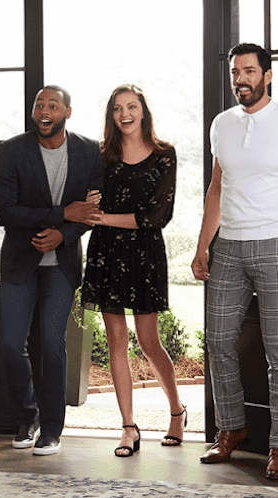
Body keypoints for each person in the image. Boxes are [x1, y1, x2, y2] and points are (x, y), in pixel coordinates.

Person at [191, 43, 278, 480]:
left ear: (267, 76)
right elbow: (217, 187)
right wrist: (203, 246)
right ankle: (231, 428)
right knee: (218, 341)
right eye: (236, 72)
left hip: (277, 246)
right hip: (229, 248)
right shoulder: (221, 125)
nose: (241, 79)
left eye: (249, 71)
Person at [0, 85, 104, 456]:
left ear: (67, 112)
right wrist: (61, 213)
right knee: (11, 345)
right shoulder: (11, 150)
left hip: (62, 265)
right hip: (18, 262)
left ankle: (52, 428)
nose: (44, 110)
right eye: (39, 104)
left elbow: (91, 211)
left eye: (52, 105)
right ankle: (29, 417)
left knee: (54, 346)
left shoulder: (88, 151)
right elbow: (4, 211)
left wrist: (62, 234)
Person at [80, 84, 185, 457]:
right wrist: (88, 202)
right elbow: (86, 201)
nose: (124, 114)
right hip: (106, 253)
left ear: (143, 111)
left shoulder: (164, 155)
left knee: (148, 341)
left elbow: (157, 216)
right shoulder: (100, 156)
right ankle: (128, 428)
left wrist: (104, 217)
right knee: (116, 340)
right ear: (111, 115)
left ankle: (177, 412)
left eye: (131, 106)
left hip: (145, 255)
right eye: (117, 108)